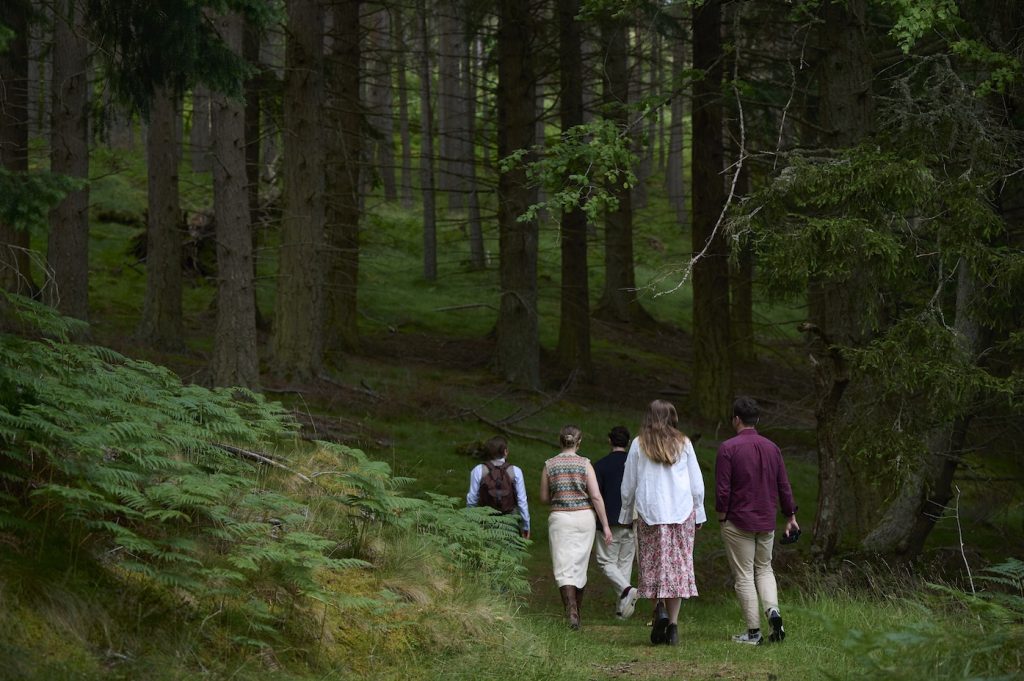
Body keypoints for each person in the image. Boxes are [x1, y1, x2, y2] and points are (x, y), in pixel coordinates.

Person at [619, 400, 706, 646]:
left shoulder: (639, 443)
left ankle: (659, 609)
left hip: (650, 514)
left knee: (652, 565)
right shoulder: (684, 443)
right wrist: (699, 512)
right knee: (677, 568)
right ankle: (674, 624)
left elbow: (629, 483)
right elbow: (696, 483)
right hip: (680, 513)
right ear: (673, 417)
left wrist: (626, 514)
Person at [715, 396, 799, 646]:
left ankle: (753, 633)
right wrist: (790, 515)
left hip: (738, 520)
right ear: (757, 420)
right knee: (764, 569)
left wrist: (722, 517)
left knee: (743, 575)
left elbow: (722, 490)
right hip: (766, 520)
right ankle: (773, 612)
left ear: (736, 419)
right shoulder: (772, 448)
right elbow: (783, 485)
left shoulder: (728, 448)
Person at [540, 425, 613, 630]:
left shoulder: (549, 465)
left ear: (559, 440)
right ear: (578, 443)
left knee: (563, 567)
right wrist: (606, 526)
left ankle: (570, 610)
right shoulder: (585, 464)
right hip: (584, 519)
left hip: (560, 519)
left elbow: (544, 497)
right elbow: (596, 496)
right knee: (579, 565)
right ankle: (577, 614)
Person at [593, 425, 640, 619]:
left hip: (608, 520)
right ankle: (623, 611)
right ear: (628, 442)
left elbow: (597, 496)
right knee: (624, 565)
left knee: (605, 562)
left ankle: (627, 591)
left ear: (609, 440)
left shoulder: (600, 465)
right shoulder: (636, 465)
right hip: (631, 520)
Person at [466, 436, 530, 538]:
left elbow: (472, 499)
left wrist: (470, 520)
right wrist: (526, 526)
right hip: (510, 521)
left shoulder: (478, 470)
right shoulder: (515, 471)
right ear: (505, 451)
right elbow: (522, 501)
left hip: (486, 519)